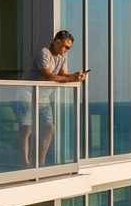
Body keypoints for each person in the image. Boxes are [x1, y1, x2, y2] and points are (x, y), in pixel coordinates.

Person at [20, 31, 87, 165]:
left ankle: (41, 162)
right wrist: (71, 79)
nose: (66, 50)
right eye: (65, 47)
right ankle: (25, 164)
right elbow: (48, 75)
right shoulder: (43, 53)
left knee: (49, 127)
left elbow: (63, 74)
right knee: (27, 129)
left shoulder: (62, 57)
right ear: (56, 41)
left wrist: (76, 76)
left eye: (68, 48)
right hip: (28, 95)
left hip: (43, 98)